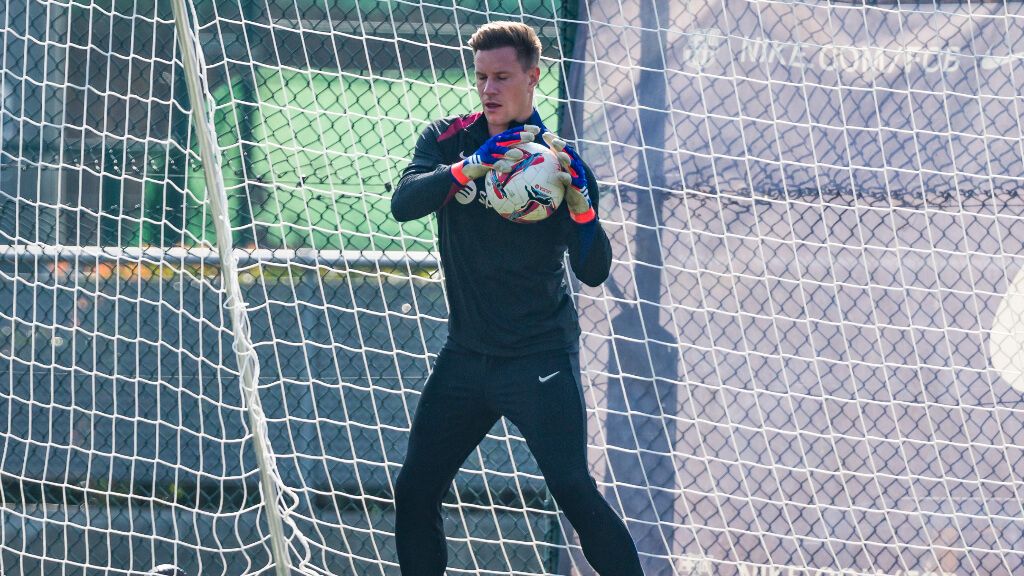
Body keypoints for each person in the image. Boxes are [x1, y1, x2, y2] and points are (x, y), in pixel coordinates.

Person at [390, 21, 644, 576]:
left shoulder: (559, 164)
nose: (488, 88)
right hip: (466, 355)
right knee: (415, 489)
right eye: (481, 76)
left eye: (502, 77)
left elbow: (594, 271)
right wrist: (470, 167)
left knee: (573, 489)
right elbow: (404, 203)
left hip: (538, 357)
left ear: (533, 77)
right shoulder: (448, 139)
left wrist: (583, 211)